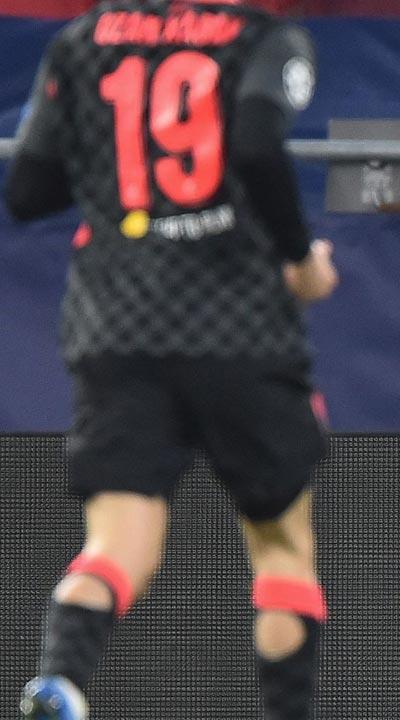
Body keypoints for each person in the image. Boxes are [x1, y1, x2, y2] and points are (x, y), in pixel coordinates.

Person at [5, 1, 337, 718]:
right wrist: (301, 259)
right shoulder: (260, 37)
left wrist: (121, 174)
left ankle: (60, 680)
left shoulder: (80, 40)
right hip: (239, 325)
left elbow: (28, 190)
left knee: (117, 545)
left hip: (116, 323)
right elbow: (254, 146)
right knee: (282, 544)